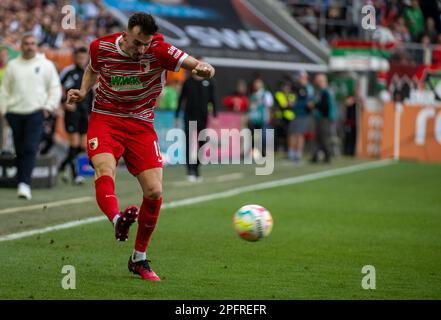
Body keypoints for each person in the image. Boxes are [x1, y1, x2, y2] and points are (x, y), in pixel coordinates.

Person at [66, 12, 215, 281]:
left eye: (145, 44)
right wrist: (84, 91)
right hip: (106, 119)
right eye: (137, 43)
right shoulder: (101, 47)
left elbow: (193, 63)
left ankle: (139, 258)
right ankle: (117, 221)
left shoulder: (159, 50)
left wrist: (204, 68)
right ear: (126, 34)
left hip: (141, 124)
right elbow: (92, 68)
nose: (141, 50)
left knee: (155, 191)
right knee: (104, 169)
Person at [0, 33, 61, 200]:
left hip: (36, 112)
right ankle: (22, 181)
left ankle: (24, 184)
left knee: (30, 147)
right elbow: (4, 90)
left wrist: (48, 108)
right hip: (14, 113)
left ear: (37, 45)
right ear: (21, 46)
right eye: (26, 43)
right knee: (19, 149)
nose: (30, 46)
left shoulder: (46, 65)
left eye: (33, 43)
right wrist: (4, 110)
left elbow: (55, 88)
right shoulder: (12, 65)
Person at [175, 58, 217, 182]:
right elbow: (181, 100)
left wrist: (215, 116)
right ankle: (190, 170)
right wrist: (177, 116)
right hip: (189, 117)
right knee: (189, 144)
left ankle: (196, 167)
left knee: (202, 143)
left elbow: (213, 100)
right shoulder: (188, 82)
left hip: (203, 118)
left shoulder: (210, 82)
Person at [59, 47, 93, 185]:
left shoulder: (90, 72)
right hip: (72, 112)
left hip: (85, 112)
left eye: (84, 58)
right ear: (75, 58)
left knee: (82, 145)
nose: (82, 60)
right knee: (74, 142)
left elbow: (92, 92)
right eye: (79, 58)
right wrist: (64, 102)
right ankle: (75, 175)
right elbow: (58, 87)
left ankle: (64, 166)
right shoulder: (68, 71)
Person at [288, 71, 314, 162]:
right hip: (295, 113)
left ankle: (298, 154)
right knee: (292, 133)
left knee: (299, 134)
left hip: (303, 114)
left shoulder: (308, 88)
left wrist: (296, 103)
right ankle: (291, 153)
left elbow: (309, 102)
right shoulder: (296, 87)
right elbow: (291, 98)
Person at [311, 73, 337, 164]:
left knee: (324, 137)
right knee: (319, 137)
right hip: (322, 117)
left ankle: (327, 156)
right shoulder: (322, 91)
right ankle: (316, 156)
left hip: (325, 118)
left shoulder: (326, 92)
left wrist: (314, 105)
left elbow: (325, 106)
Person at [247, 78, 273, 158]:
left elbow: (269, 106)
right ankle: (255, 152)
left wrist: (269, 117)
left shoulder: (265, 94)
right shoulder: (252, 95)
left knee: (264, 136)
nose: (256, 85)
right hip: (253, 119)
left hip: (262, 119)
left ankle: (265, 151)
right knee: (253, 137)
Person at [273, 80, 295, 154]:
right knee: (277, 134)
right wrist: (287, 104)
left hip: (289, 118)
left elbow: (292, 104)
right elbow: (283, 105)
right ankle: (276, 149)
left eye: (288, 87)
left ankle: (287, 149)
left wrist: (288, 104)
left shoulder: (292, 95)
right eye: (285, 87)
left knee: (288, 134)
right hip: (280, 117)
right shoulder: (279, 94)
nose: (286, 88)